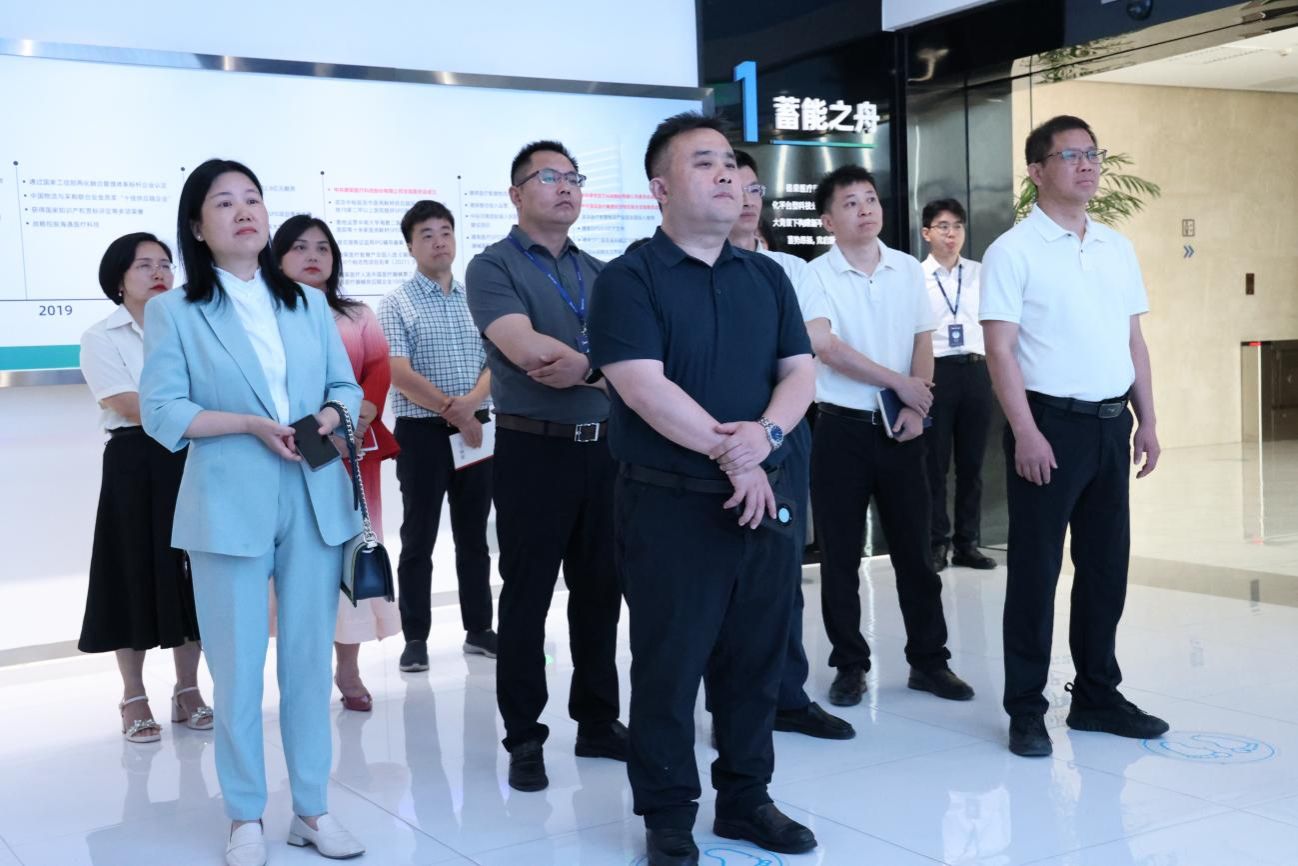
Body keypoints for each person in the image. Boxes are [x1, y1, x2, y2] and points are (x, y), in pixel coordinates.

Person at [590, 112, 819, 866]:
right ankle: (667, 814)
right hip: (671, 504)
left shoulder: (767, 276)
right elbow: (643, 388)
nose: (726, 174)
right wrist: (737, 457)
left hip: (763, 501)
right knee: (669, 664)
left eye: (729, 162)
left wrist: (768, 437)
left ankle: (747, 799)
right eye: (702, 162)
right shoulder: (628, 279)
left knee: (757, 660)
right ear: (660, 188)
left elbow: (800, 373)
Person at [140, 158, 365, 866]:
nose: (244, 212)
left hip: (311, 490)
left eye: (253, 200)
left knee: (307, 660)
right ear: (197, 227)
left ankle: (312, 810)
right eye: (223, 203)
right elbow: (161, 412)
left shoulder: (305, 302)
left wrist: (323, 418)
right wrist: (245, 423)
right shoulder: (176, 311)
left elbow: (346, 390)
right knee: (237, 667)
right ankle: (244, 815)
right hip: (227, 499)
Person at [980, 115, 1168, 758]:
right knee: (1036, 574)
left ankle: (1096, 697)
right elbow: (1000, 351)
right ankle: (1026, 710)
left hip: (1112, 424)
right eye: (1070, 155)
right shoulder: (1013, 251)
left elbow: (1133, 340)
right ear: (1037, 171)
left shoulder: (1116, 246)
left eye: (1093, 153)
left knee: (1105, 569)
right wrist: (1026, 432)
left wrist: (1148, 419)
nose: (1087, 165)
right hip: (1048, 428)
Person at [466, 140, 625, 792]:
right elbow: (529, 351)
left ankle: (598, 721)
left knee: (601, 593)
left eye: (574, 178)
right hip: (534, 450)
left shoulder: (602, 272)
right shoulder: (492, 266)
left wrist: (590, 370)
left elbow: (637, 359)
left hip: (606, 449)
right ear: (516, 193)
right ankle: (525, 737)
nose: (566, 188)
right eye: (550, 177)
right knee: (528, 596)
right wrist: (602, 371)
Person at [801, 165, 974, 709]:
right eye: (850, 203)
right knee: (841, 559)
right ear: (828, 221)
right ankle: (850, 665)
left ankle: (930, 661)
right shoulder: (814, 275)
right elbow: (826, 347)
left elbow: (923, 339)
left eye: (870, 199)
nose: (865, 209)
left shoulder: (905, 269)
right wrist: (899, 384)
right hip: (841, 430)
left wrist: (917, 405)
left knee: (916, 553)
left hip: (903, 429)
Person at [716, 148, 854, 742]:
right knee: (723, 580)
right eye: (735, 188)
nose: (748, 200)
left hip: (785, 433)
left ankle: (788, 697)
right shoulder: (694, 268)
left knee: (781, 573)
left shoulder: (793, 269)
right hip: (717, 436)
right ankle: (731, 708)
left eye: (756, 190)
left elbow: (812, 343)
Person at [78, 232, 211, 744]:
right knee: (130, 571)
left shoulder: (190, 328)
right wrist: (192, 410)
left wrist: (193, 412)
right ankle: (133, 695)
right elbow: (130, 405)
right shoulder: (101, 336)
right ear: (119, 279)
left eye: (165, 264)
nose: (159, 273)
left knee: (192, 573)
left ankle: (187, 689)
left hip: (191, 454)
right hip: (134, 461)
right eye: (144, 265)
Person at [273, 214, 402, 711]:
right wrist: (316, 436)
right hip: (289, 455)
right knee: (298, 565)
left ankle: (348, 668)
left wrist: (355, 426)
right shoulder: (266, 317)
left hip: (354, 455)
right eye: (300, 247)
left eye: (322, 248)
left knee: (351, 556)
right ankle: (303, 673)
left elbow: (377, 370)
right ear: (277, 258)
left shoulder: (357, 315)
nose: (313, 256)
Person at [377, 200, 495, 673]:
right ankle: (416, 637)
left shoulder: (476, 299)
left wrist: (470, 407)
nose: (439, 241)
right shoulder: (396, 303)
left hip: (477, 429)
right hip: (422, 433)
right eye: (426, 234)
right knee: (418, 537)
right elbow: (398, 373)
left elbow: (495, 362)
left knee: (474, 536)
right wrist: (453, 409)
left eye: (445, 231)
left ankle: (479, 629)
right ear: (410, 246)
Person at [920, 198, 998, 572]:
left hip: (976, 370)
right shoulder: (916, 277)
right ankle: (937, 542)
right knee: (934, 464)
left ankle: (968, 543)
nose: (951, 234)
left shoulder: (982, 273)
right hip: (936, 373)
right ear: (926, 233)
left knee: (972, 464)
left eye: (957, 226)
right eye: (943, 226)